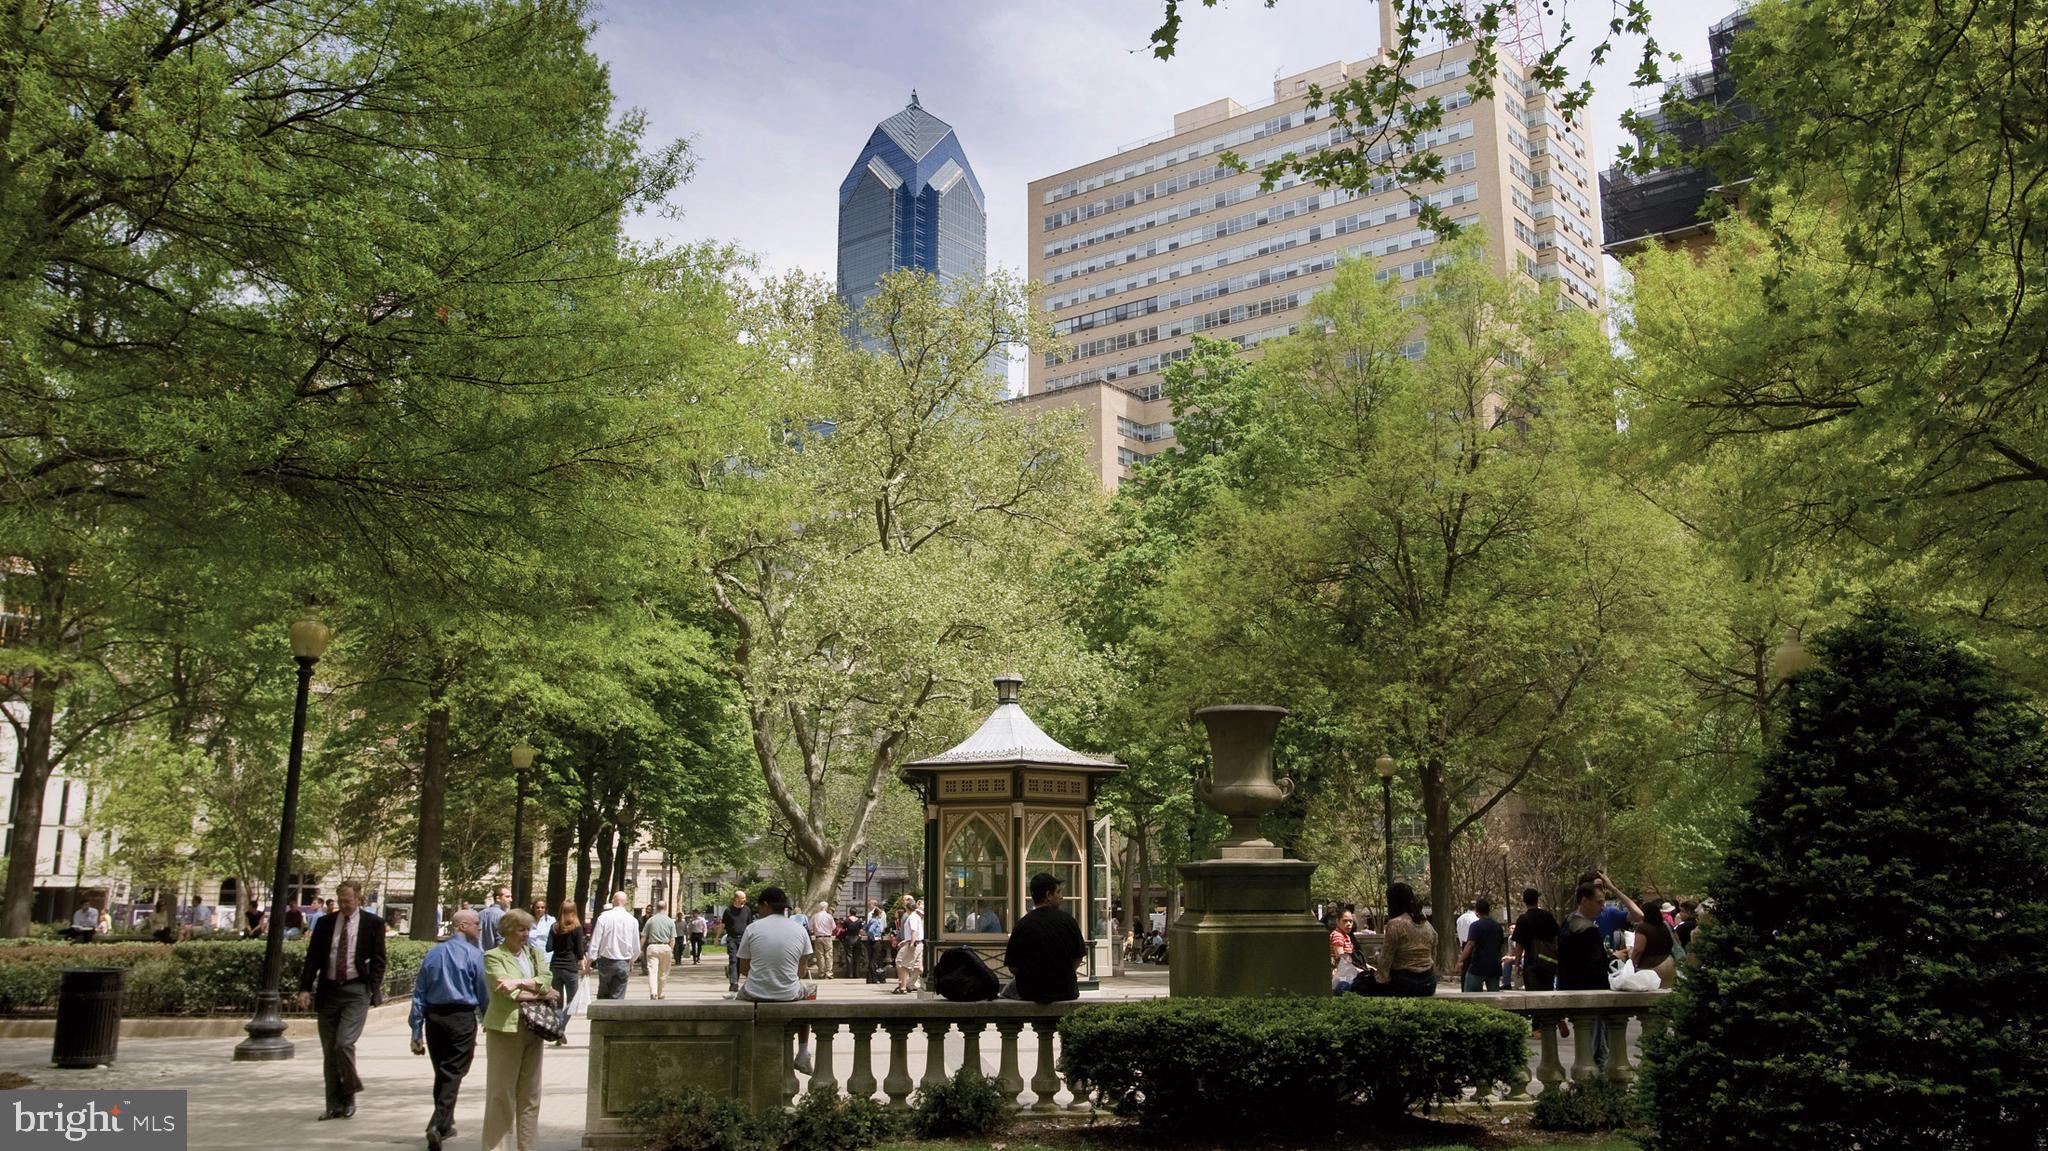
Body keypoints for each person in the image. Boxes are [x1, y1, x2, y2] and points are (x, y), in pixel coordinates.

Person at [296, 879, 387, 1120]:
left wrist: (371, 988)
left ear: (359, 899)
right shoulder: (326, 924)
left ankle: (350, 1093)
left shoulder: (373, 924)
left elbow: (379, 960)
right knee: (329, 1050)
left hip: (356, 990)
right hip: (328, 991)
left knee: (343, 1043)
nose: (344, 905)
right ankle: (334, 1104)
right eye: (341, 901)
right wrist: (305, 988)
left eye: (348, 901)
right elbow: (312, 958)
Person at [410, 908, 488, 1151]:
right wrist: (488, 1019)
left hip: (434, 1019)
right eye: (476, 924)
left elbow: (419, 994)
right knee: (453, 1072)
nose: (480, 928)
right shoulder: (475, 955)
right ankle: (436, 1124)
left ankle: (445, 1123)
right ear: (462, 926)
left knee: (443, 1072)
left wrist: (416, 1031)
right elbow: (483, 992)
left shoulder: (433, 954)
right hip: (461, 1018)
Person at [481, 909, 552, 1151]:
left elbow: (548, 980)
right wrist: (538, 991)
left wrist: (521, 982)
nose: (526, 934)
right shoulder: (493, 956)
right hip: (505, 1030)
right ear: (508, 931)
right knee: (501, 1094)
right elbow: (508, 992)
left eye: (528, 929)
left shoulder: (534, 953)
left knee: (531, 1095)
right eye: (521, 929)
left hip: (535, 1027)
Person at [735, 886, 817, 1072]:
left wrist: (763, 976)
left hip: (754, 992)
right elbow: (801, 971)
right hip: (788, 993)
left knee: (736, 997)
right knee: (810, 991)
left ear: (765, 905)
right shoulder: (800, 930)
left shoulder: (752, 928)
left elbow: (743, 968)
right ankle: (803, 1052)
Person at [1004, 872, 1086, 1003]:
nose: (1062, 897)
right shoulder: (1068, 921)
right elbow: (1078, 956)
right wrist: (1062, 973)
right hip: (1065, 990)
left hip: (1031, 992)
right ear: (1048, 895)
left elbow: (1013, 966)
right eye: (1058, 892)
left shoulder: (1022, 925)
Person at [1353, 882, 1436, 997]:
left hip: (1404, 983)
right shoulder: (1427, 925)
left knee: (1359, 984)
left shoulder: (1396, 924)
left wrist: (1378, 963)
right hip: (1428, 983)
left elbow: (1386, 959)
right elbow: (1433, 953)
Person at [547, 901, 587, 1045]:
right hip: (570, 967)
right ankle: (560, 1028)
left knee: (558, 1002)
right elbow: (580, 950)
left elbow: (548, 947)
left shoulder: (554, 927)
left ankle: (559, 1030)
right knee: (573, 1001)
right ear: (574, 911)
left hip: (555, 966)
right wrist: (582, 964)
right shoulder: (577, 928)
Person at [588, 892, 640, 1000]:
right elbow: (636, 946)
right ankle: (614, 1015)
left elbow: (595, 941)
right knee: (618, 996)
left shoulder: (604, 917)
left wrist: (590, 960)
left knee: (603, 993)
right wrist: (632, 960)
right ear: (626, 902)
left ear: (613, 901)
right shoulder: (632, 920)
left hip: (605, 961)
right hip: (623, 962)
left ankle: (602, 1015)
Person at [1511, 887, 1560, 991]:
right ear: (1537, 900)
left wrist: (1517, 964)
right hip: (1548, 961)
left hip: (1531, 962)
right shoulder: (1547, 916)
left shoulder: (1523, 919)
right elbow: (1556, 937)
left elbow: (1519, 945)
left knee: (1533, 994)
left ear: (1525, 902)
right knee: (1548, 991)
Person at [1459, 897, 1506, 992]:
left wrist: (1461, 960)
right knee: (1494, 995)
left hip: (1478, 966)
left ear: (1477, 911)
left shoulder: (1475, 926)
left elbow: (1470, 944)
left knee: (1470, 994)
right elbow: (1500, 944)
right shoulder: (1498, 926)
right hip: (1494, 965)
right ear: (1488, 910)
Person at [1632, 898, 1679, 988]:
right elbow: (1677, 940)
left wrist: (1631, 964)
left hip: (1651, 967)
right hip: (1669, 963)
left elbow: (1638, 949)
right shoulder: (1666, 925)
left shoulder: (1643, 928)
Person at [641, 902, 678, 999]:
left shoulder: (651, 920)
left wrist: (640, 949)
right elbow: (673, 939)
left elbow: (644, 936)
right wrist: (671, 950)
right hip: (665, 947)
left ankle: (653, 993)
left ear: (656, 908)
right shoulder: (670, 921)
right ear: (666, 908)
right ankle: (660, 993)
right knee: (663, 973)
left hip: (653, 947)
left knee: (652, 971)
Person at [718, 889, 753, 993]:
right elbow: (723, 925)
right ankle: (734, 983)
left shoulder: (747, 910)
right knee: (733, 960)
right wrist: (717, 938)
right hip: (732, 938)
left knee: (744, 961)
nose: (744, 900)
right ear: (737, 899)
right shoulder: (728, 910)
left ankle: (750, 983)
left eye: (745, 898)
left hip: (744, 939)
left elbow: (750, 925)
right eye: (743, 898)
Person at [892, 894, 925, 994]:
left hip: (914, 943)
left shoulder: (912, 917)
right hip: (918, 943)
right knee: (918, 967)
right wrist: (906, 940)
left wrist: (911, 943)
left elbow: (914, 931)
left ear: (906, 907)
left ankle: (903, 987)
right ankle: (910, 984)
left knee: (903, 964)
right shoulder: (916, 916)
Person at [1329, 908, 1358, 992]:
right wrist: (1359, 970)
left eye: (1350, 921)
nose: (1348, 924)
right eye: (1345, 921)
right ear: (1338, 921)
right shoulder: (1338, 936)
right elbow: (1342, 959)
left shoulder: (1345, 936)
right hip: (1340, 975)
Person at [809, 902, 837, 980]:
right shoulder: (829, 916)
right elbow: (834, 927)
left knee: (820, 955)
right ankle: (829, 973)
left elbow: (810, 927)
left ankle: (821, 972)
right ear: (826, 907)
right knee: (829, 955)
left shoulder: (815, 916)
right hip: (828, 937)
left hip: (818, 937)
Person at [479, 886, 511, 952]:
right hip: (495, 958)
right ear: (498, 898)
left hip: (479, 957)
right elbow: (502, 940)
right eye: (507, 897)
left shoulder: (480, 914)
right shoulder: (503, 916)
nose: (511, 899)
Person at [863, 901, 887, 983]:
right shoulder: (876, 921)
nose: (881, 915)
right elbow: (870, 930)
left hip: (871, 941)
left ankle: (871, 978)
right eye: (880, 914)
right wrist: (874, 937)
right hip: (875, 941)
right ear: (878, 914)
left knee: (872, 959)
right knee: (874, 960)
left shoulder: (871, 920)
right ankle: (874, 977)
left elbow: (865, 928)